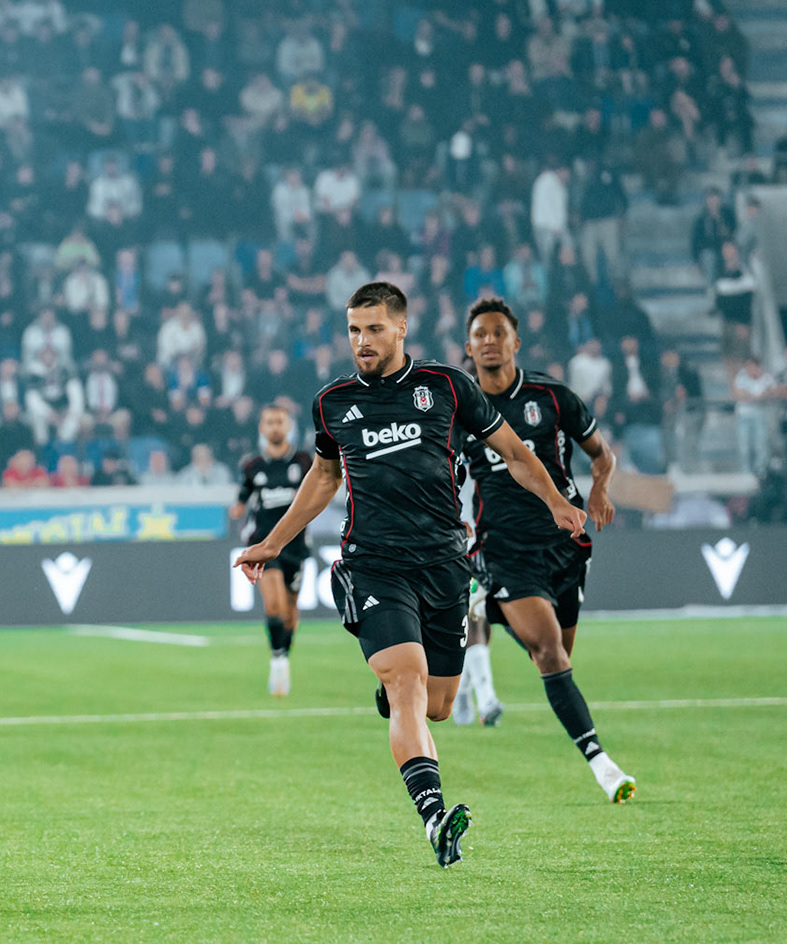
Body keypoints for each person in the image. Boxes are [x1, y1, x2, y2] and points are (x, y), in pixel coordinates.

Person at [237, 281, 587, 866]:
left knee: (439, 704)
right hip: (374, 565)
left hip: (446, 565)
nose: (362, 341)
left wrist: (555, 501)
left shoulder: (447, 387)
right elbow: (323, 479)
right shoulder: (334, 403)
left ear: (402, 328)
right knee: (407, 681)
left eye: (374, 329)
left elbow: (515, 452)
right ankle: (433, 818)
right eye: (353, 330)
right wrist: (270, 543)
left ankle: (396, 682)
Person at [460, 298, 636, 803]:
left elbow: (603, 454)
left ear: (516, 341)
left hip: (565, 546)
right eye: (480, 335)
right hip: (505, 547)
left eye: (499, 333)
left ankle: (487, 609)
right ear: (469, 348)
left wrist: (600, 490)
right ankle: (601, 763)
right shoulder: (463, 409)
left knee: (556, 656)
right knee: (550, 652)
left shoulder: (553, 397)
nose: (490, 341)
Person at [229, 404, 312, 696]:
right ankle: (277, 661)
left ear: (288, 426)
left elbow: (317, 492)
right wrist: (237, 509)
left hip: (297, 546)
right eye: (269, 422)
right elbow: (243, 497)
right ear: (262, 429)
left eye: (279, 421)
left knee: (290, 612)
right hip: (264, 545)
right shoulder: (253, 466)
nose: (275, 427)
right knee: (273, 605)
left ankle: (283, 655)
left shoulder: (303, 461)